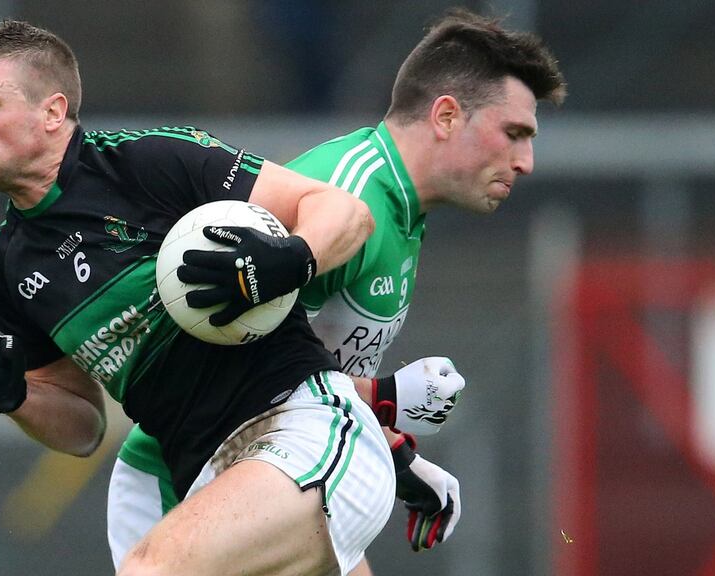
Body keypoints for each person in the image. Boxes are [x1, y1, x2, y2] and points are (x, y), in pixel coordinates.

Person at [106, 7, 567, 575]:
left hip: (262, 469)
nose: (525, 162)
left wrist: (394, 452)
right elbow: (229, 370)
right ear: (446, 115)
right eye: (514, 134)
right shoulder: (347, 198)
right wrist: (385, 397)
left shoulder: (401, 210)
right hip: (193, 476)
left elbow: (303, 376)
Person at [0, 19, 399, 576]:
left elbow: (345, 213)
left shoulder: (148, 163)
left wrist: (288, 259)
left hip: (300, 422)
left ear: (53, 111)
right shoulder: (7, 264)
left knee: (152, 570)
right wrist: (16, 396)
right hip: (211, 476)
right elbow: (83, 427)